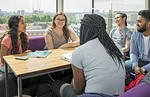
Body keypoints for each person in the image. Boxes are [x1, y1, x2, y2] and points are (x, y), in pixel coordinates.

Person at [51, 14, 125, 97]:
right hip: (119, 95)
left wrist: (73, 81)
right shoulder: (117, 48)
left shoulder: (79, 52)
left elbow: (79, 89)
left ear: (84, 30)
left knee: (56, 84)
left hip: (93, 95)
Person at [0, 15, 36, 97]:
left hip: (20, 62)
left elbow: (23, 52)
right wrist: (21, 55)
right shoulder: (7, 39)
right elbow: (2, 60)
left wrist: (25, 53)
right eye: (22, 23)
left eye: (25, 22)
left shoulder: (25, 36)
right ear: (15, 25)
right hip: (6, 65)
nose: (25, 25)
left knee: (36, 72)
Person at [125, 10, 150, 75]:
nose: (136, 24)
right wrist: (135, 66)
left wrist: (144, 69)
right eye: (137, 21)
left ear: (148, 24)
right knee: (125, 65)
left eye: (139, 21)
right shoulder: (135, 35)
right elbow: (133, 53)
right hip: (140, 61)